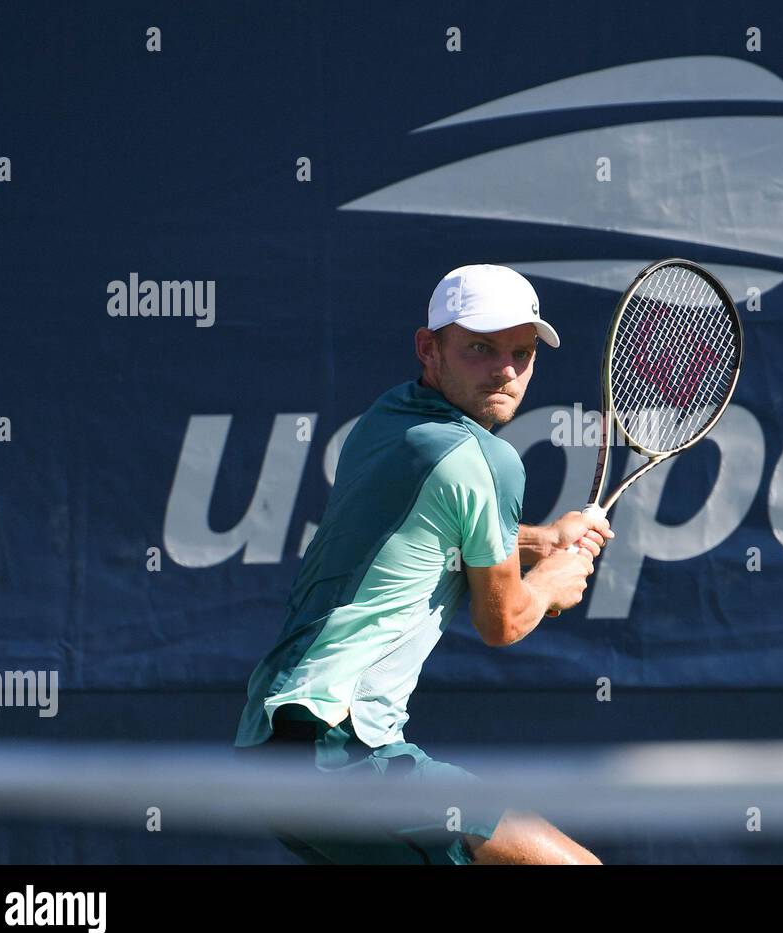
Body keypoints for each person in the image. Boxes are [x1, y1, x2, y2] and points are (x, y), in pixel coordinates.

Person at [234, 264, 611, 864]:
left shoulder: (389, 419)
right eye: (481, 349)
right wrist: (549, 583)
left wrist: (544, 537)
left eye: (522, 353)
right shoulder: (486, 459)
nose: (506, 371)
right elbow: (503, 621)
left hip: (274, 741)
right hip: (337, 742)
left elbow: (438, 533)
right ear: (429, 347)